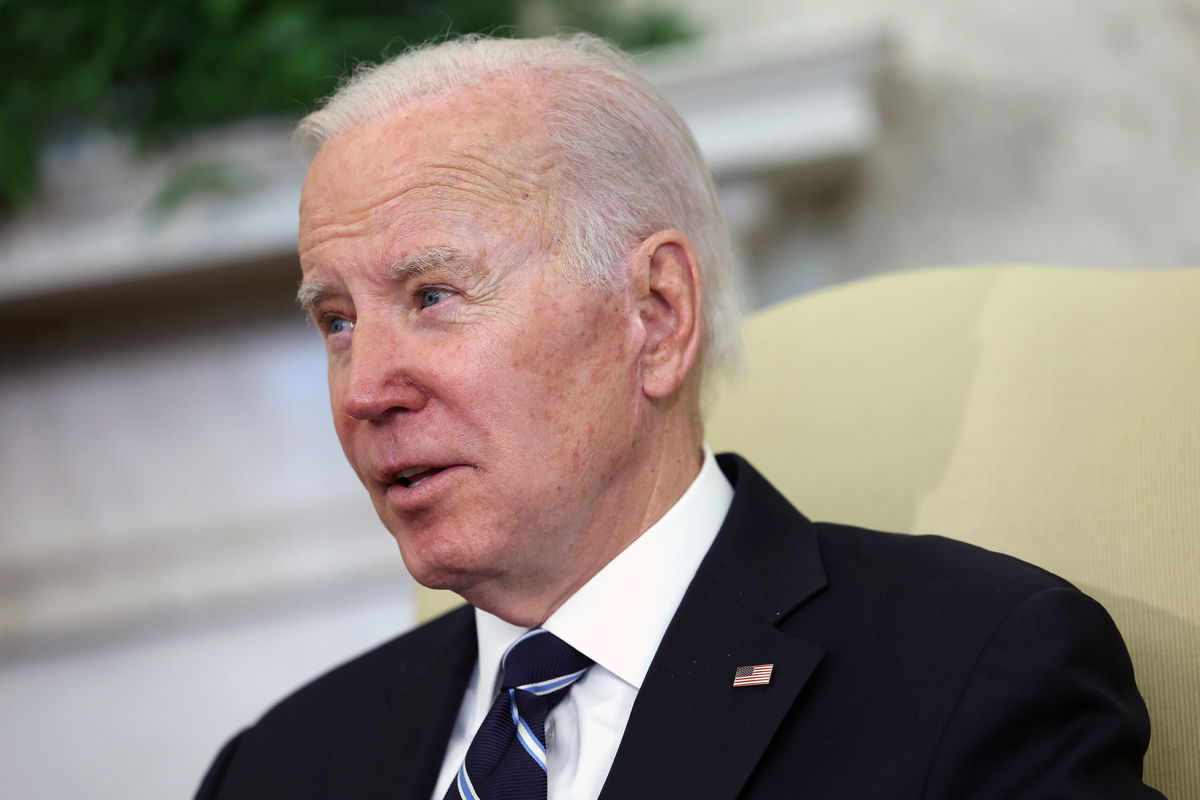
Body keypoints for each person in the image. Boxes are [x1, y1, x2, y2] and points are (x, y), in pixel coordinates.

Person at [196, 33, 1162, 799]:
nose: (366, 388)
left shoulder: (969, 672)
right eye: (335, 321)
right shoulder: (280, 767)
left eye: (434, 295)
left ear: (655, 314)